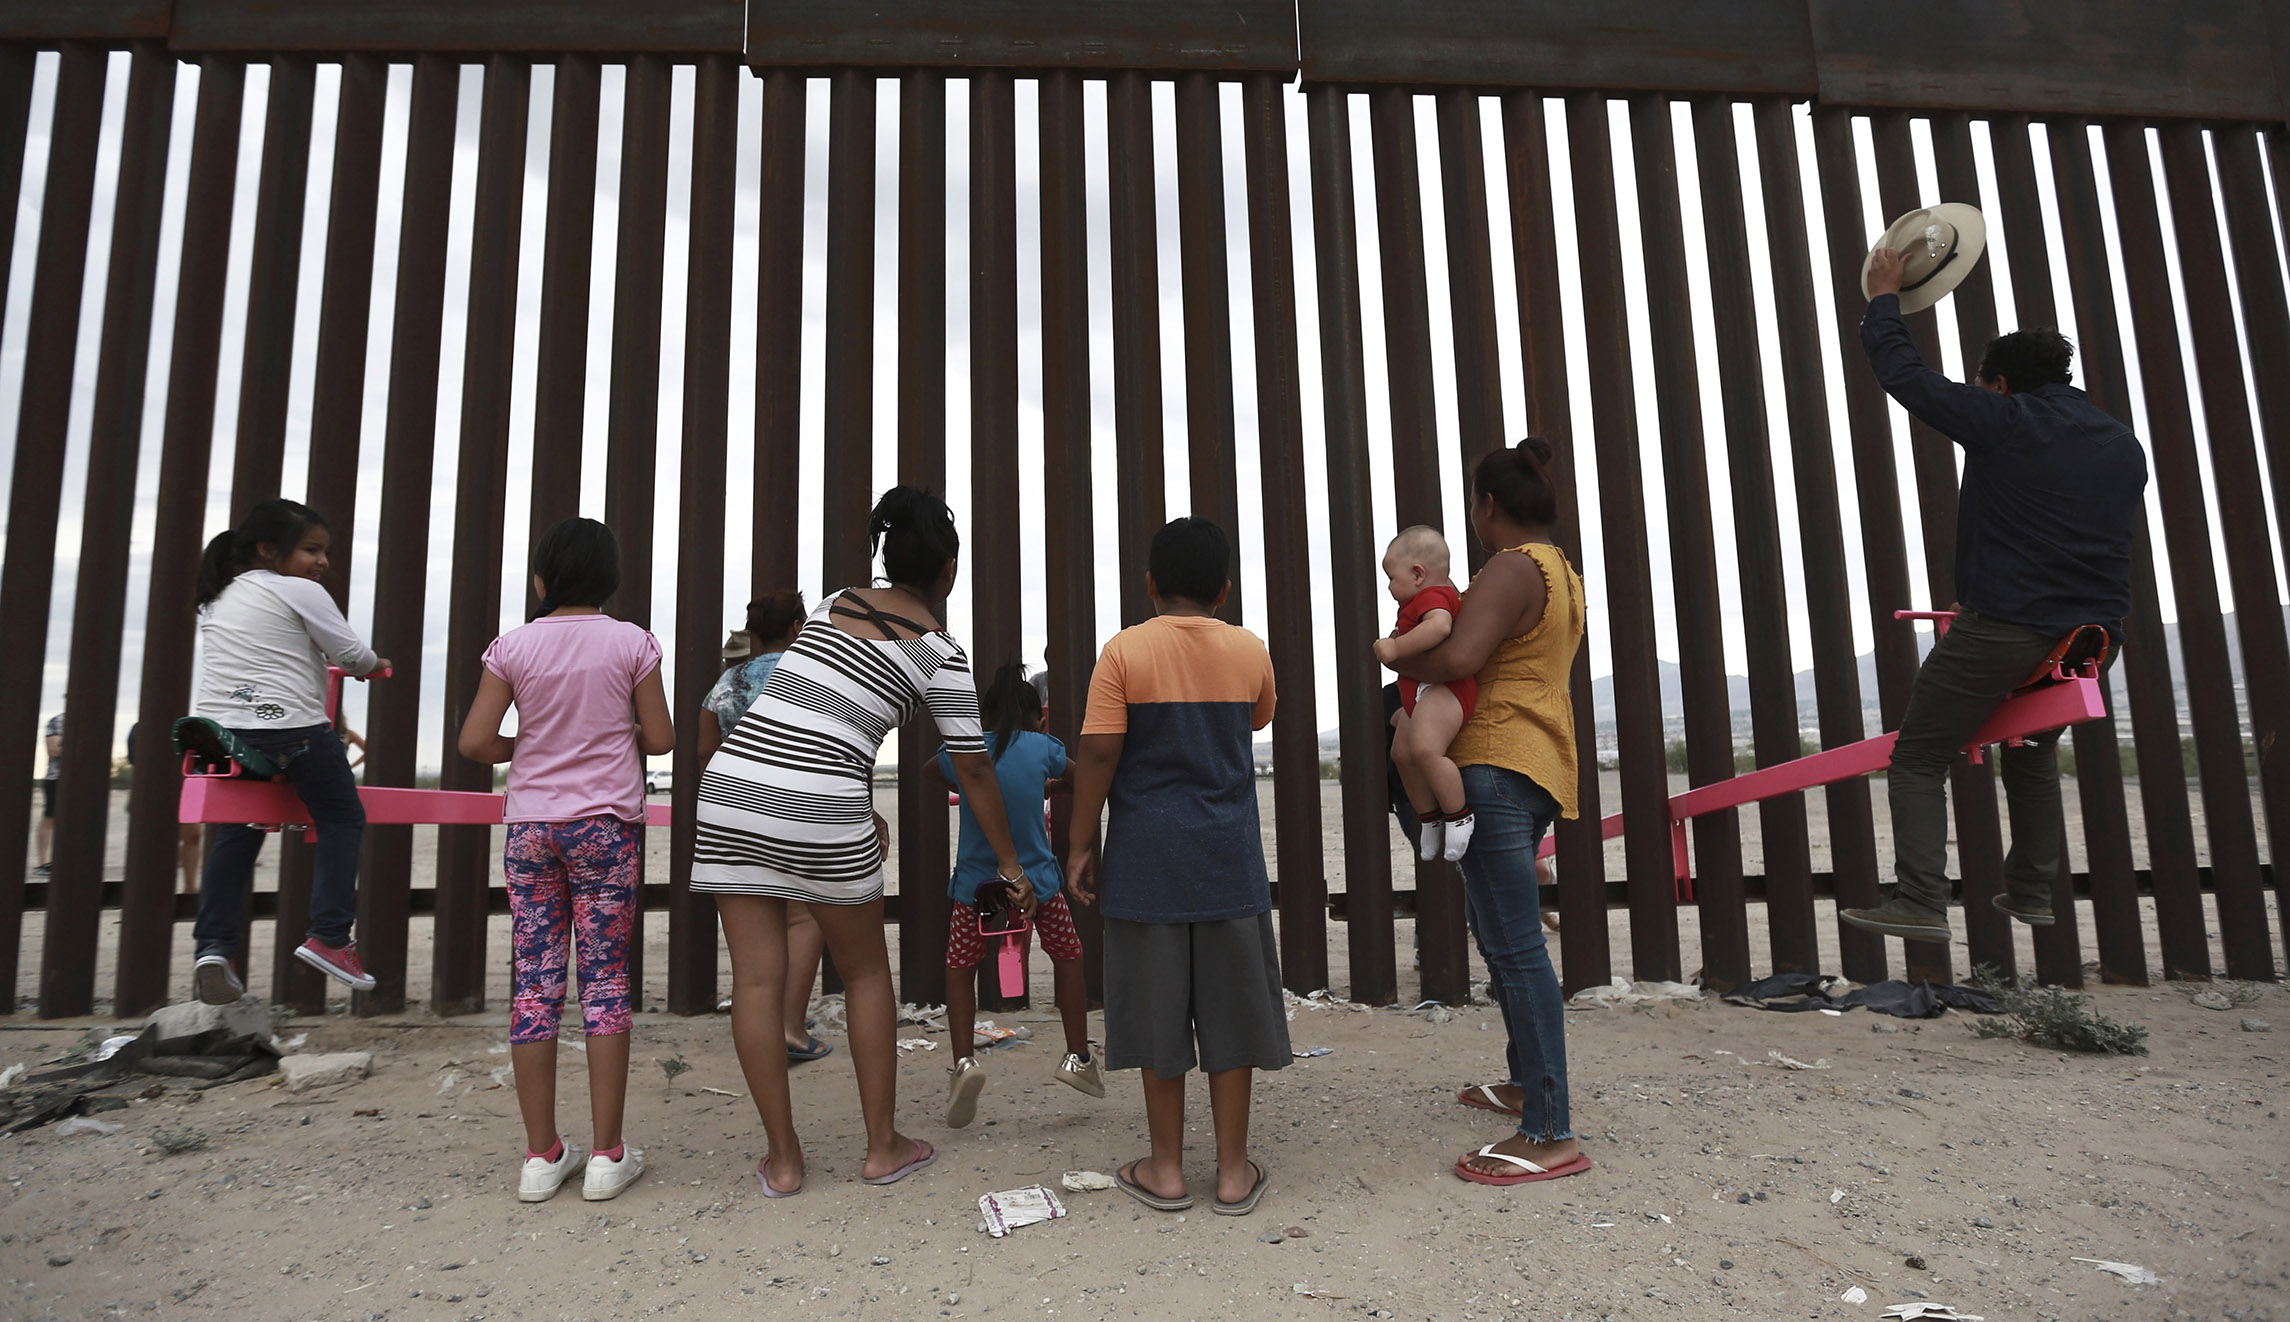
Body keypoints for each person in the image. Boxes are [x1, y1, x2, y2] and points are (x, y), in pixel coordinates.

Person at [693, 487, 1026, 1197]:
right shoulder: (941, 654)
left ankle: (784, 1161)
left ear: (885, 556)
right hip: (824, 806)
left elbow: (813, 714)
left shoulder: (833, 605)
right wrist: (1008, 862)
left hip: (729, 788)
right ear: (950, 570)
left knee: (755, 983)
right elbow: (973, 768)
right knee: (867, 973)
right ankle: (882, 1147)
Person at [1841, 250, 2148, 944]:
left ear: (2001, 386)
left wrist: (1883, 298)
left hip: (2007, 629)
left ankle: (1920, 902)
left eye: (1985, 386)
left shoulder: (2008, 421)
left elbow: (1905, 375)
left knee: (1920, 756)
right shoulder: (2122, 443)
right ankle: (2033, 892)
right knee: (2032, 753)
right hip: (2092, 641)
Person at [1065, 517, 1287, 1217]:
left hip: (1146, 864)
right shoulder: (1249, 649)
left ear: (1151, 584)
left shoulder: (1124, 651)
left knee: (1159, 1018)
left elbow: (1099, 753)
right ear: (1224, 590)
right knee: (1232, 1016)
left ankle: (1164, 1170)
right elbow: (1258, 718)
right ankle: (1232, 1172)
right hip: (1228, 864)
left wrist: (1079, 844)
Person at [1391, 437, 1592, 1187]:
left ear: (1488, 506)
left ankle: (1549, 1131)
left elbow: (1457, 658)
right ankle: (1524, 1084)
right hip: (1532, 759)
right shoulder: (1561, 569)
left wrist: (1392, 657)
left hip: (1498, 761)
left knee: (1514, 947)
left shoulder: (1511, 566)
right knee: (1501, 934)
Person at [458, 516, 673, 1203]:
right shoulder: (632, 642)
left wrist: (530, 746)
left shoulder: (513, 646)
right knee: (605, 982)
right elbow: (661, 738)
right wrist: (612, 732)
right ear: (610, 580)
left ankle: (541, 1156)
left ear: (541, 581)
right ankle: (608, 1156)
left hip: (530, 829)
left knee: (535, 983)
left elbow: (475, 742)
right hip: (605, 828)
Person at [187, 499, 390, 1005]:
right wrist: (375, 665)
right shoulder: (298, 589)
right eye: (311, 550)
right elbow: (349, 654)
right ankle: (331, 936)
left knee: (239, 830)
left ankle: (213, 948)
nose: (322, 562)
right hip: (293, 730)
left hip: (224, 735)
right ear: (267, 549)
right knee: (342, 817)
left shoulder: (219, 596)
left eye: (324, 552)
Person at [921, 661, 1097, 1127]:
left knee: (961, 968)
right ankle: (1077, 1057)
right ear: (1036, 717)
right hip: (1037, 882)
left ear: (985, 715)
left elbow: (929, 771)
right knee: (1067, 957)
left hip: (976, 886)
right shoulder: (1043, 747)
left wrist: (965, 783)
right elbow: (1084, 779)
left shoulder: (967, 752)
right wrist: (1048, 786)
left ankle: (963, 1063)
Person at [694, 590, 833, 1065]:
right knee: (804, 917)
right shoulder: (812, 674)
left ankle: (762, 1032)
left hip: (735, 813)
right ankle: (791, 1025)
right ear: (797, 628)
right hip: (799, 808)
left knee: (754, 939)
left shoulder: (726, 684)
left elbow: (704, 752)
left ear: (753, 633)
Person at [1376, 527, 1478, 863]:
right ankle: (1429, 817)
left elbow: (1439, 626)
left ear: (1418, 574)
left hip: (1443, 689)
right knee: (1401, 753)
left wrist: (1395, 648)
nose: (1389, 587)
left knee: (1424, 749)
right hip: (1421, 690)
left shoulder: (1433, 596)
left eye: (1391, 578)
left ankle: (1458, 815)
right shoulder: (1419, 600)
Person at [125, 722, 207, 894]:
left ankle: (190, 887)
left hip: (187, 784)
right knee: (157, 840)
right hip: (153, 788)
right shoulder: (141, 728)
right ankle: (154, 888)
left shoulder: (189, 726)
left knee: (193, 835)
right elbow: (135, 758)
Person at [33, 699, 61, 876]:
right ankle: (43, 863)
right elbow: (53, 751)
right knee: (50, 819)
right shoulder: (57, 721)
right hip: (56, 778)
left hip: (84, 780)